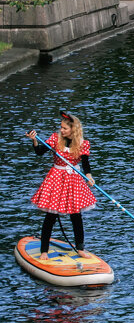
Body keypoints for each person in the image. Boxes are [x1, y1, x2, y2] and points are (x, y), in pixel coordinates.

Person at [26, 112, 96, 261]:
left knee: (76, 216)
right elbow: (39, 152)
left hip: (73, 180)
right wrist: (34, 141)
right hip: (56, 178)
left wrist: (89, 177)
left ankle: (80, 248)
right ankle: (44, 250)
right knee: (51, 216)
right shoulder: (55, 139)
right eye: (61, 127)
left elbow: (85, 164)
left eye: (65, 128)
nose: (62, 130)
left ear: (73, 129)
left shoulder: (82, 143)